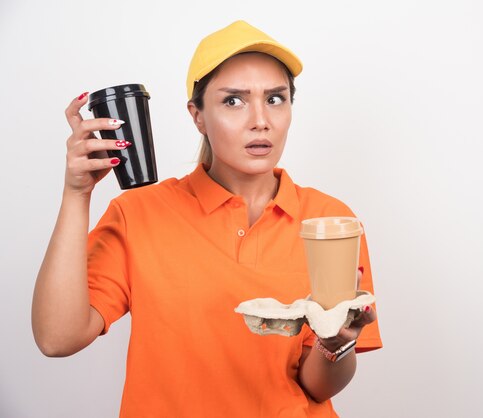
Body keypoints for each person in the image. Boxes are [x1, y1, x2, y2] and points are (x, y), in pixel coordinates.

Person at [32, 20, 382, 417]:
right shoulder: (138, 214)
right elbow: (57, 338)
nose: (260, 120)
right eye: (233, 100)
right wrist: (76, 194)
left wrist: (335, 344)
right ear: (197, 116)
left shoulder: (330, 220)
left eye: (275, 98)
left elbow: (315, 386)